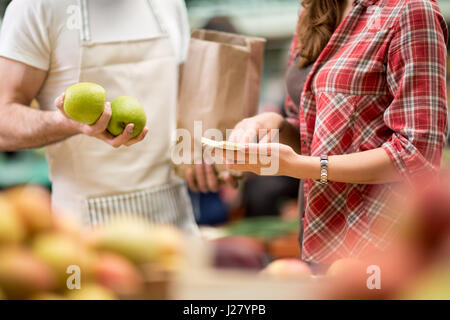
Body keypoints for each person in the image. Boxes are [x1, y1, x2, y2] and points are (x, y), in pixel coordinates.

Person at [218, 0, 449, 265]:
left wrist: (307, 167)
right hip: (317, 239)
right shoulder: (313, 11)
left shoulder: (410, 10)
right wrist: (275, 125)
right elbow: (310, 132)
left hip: (376, 246)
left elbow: (417, 155)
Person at [0, 0, 220, 231]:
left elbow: (184, 103)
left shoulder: (170, 4)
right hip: (85, 234)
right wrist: (67, 123)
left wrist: (203, 160)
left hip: (174, 227)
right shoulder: (37, 6)